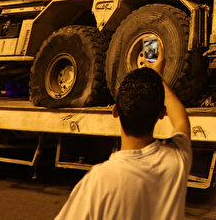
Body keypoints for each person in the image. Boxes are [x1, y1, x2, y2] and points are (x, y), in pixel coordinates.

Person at [55, 47, 192, 220]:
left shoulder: (99, 180)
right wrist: (156, 75)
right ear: (161, 114)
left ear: (115, 111)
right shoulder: (177, 161)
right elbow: (180, 118)